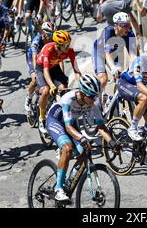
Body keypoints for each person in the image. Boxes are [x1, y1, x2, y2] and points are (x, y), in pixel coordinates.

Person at [46, 74, 119, 203]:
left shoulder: (92, 102)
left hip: (71, 123)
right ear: (82, 93)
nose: (94, 99)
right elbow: (68, 128)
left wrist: (112, 142)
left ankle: (68, 184)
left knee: (84, 152)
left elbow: (101, 126)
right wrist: (82, 138)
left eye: (95, 96)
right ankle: (58, 188)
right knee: (67, 148)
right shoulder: (69, 99)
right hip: (55, 121)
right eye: (91, 96)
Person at [35, 30, 82, 133]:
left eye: (68, 45)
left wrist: (82, 84)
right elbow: (46, 71)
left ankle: (60, 112)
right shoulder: (49, 50)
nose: (66, 48)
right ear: (57, 45)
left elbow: (76, 70)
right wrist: (51, 85)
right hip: (41, 68)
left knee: (63, 89)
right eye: (64, 45)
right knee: (46, 90)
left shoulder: (70, 51)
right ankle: (42, 117)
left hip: (55, 67)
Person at [93, 12, 137, 90]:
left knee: (120, 79)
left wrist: (136, 66)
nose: (128, 28)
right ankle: (99, 98)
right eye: (124, 25)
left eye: (129, 24)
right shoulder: (108, 32)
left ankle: (116, 98)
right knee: (103, 79)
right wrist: (113, 67)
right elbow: (107, 53)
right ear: (116, 25)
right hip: (100, 53)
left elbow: (133, 54)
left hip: (115, 53)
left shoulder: (130, 34)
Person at [24, 22, 55, 112]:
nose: (51, 36)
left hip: (44, 58)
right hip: (32, 57)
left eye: (52, 33)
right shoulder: (37, 40)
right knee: (34, 80)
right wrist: (36, 73)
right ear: (44, 33)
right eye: (49, 34)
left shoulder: (53, 39)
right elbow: (34, 57)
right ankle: (28, 98)